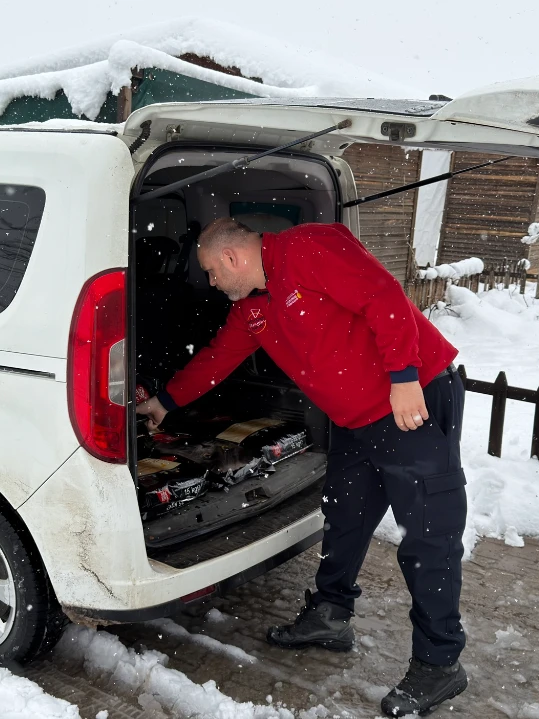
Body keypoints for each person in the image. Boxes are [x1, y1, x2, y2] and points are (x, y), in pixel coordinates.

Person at [136, 217, 468, 717]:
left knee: (428, 537)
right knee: (345, 516)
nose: (210, 283)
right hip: (356, 420)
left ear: (231, 258)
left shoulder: (307, 248)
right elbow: (217, 358)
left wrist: (403, 376)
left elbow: (382, 296)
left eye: (210, 271)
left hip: (409, 403)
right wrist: (164, 400)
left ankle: (440, 663)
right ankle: (330, 615)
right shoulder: (252, 307)